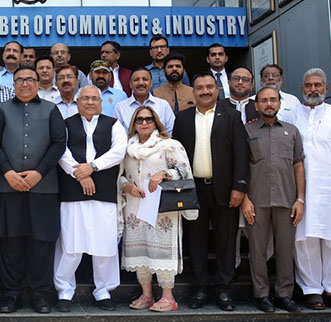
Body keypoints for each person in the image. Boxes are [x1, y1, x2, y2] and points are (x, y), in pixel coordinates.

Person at [0, 66, 66, 314]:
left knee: (41, 244)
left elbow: (58, 143)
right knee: (10, 244)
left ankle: (40, 295)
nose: (24, 84)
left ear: (38, 82)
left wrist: (38, 172)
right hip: (8, 188)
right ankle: (10, 295)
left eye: (29, 80)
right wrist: (8, 172)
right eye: (19, 80)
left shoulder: (51, 109)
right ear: (13, 84)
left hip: (43, 188)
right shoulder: (1, 110)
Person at [281, 68, 331, 311]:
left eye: (318, 85)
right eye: (308, 85)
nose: (313, 89)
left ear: (326, 88)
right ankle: (312, 289)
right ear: (302, 89)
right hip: (302, 192)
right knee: (304, 240)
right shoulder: (292, 117)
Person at [172, 72, 248, 311]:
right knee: (196, 241)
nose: (205, 91)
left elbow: (241, 155)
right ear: (193, 91)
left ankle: (223, 289)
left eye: (209, 87)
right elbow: (175, 156)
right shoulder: (182, 119)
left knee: (226, 241)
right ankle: (200, 288)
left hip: (226, 190)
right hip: (193, 190)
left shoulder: (232, 117)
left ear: (217, 90)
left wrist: (239, 187)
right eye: (199, 87)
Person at [54, 86, 127, 312]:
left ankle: (103, 290)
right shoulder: (65, 124)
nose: (90, 102)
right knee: (70, 245)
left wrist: (93, 167)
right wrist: (80, 174)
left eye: (94, 98)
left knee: (104, 244)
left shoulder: (113, 124)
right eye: (85, 98)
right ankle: (64, 291)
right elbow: (61, 151)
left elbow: (119, 151)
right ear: (77, 101)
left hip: (104, 191)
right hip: (72, 190)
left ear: (101, 102)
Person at [120, 106, 195, 312]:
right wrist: (126, 186)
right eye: (140, 120)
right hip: (135, 206)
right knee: (141, 249)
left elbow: (184, 171)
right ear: (134, 124)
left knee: (161, 250)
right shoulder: (126, 147)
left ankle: (168, 297)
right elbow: (120, 175)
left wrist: (163, 174)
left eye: (149, 119)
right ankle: (147, 294)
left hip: (163, 207)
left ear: (156, 123)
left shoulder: (169, 145)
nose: (144, 123)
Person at [242, 86, 305, 313]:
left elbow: (298, 165)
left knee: (285, 249)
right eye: (264, 100)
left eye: (273, 100)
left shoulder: (292, 131)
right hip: (256, 200)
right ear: (256, 105)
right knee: (257, 250)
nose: (269, 104)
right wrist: (245, 199)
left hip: (287, 199)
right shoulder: (247, 132)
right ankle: (262, 295)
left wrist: (300, 199)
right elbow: (241, 167)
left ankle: (284, 295)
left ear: (280, 103)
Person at [115, 67, 175, 134]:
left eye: (145, 79)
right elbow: (117, 135)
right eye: (136, 80)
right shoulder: (120, 107)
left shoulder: (163, 105)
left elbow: (171, 132)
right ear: (130, 84)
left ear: (151, 83)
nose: (141, 83)